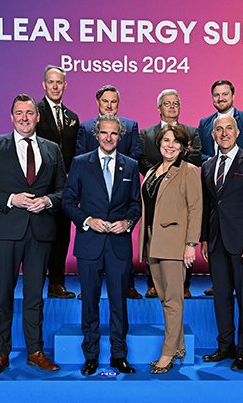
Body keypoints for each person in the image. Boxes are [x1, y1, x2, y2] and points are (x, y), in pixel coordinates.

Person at [0, 94, 66, 375]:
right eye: (19, 113)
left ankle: (34, 351)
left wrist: (47, 201)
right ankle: (1, 353)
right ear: (11, 117)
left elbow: (63, 190)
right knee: (2, 295)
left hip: (40, 232)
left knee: (35, 295)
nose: (25, 118)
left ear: (37, 117)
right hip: (5, 231)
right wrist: (12, 198)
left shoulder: (52, 149)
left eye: (30, 112)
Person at [63, 115, 142, 376]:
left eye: (114, 134)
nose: (109, 138)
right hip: (89, 244)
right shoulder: (80, 163)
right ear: (96, 135)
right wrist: (87, 220)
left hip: (118, 245)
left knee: (119, 303)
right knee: (90, 305)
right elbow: (68, 201)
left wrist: (128, 223)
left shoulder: (130, 165)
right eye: (104, 133)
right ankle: (91, 356)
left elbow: (135, 205)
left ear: (120, 136)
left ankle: (119, 356)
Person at [200, 114, 243, 371]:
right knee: (222, 298)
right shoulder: (207, 166)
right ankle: (225, 345)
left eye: (229, 128)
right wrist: (205, 238)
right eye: (219, 129)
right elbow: (208, 206)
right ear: (213, 135)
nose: (224, 133)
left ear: (237, 132)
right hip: (216, 242)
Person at [139, 123, 202, 374]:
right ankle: (179, 346)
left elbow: (196, 209)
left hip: (175, 244)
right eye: (166, 140)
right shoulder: (153, 170)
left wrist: (190, 245)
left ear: (183, 147)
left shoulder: (188, 171)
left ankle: (167, 353)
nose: (170, 145)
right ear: (159, 143)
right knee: (165, 298)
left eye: (176, 142)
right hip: (154, 242)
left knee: (174, 300)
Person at [198, 80, 243, 296]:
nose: (220, 98)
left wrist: (234, 160)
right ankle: (224, 331)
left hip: (242, 233)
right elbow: (208, 203)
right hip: (218, 235)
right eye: (216, 95)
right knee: (222, 296)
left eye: (224, 94)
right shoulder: (205, 124)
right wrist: (219, 163)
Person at [77, 84, 142, 299]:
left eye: (113, 101)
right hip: (92, 207)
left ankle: (128, 284)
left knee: (119, 291)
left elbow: (136, 156)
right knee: (89, 295)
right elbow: (79, 163)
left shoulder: (130, 126)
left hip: (120, 205)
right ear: (98, 102)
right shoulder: (85, 128)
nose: (109, 105)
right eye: (105, 101)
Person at [139, 89, 202, 299]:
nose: (172, 106)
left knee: (174, 299)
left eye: (176, 103)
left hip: (179, 196)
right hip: (156, 192)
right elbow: (142, 159)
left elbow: (196, 159)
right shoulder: (146, 134)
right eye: (167, 103)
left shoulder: (191, 132)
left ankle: (184, 283)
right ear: (159, 108)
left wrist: (174, 172)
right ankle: (153, 283)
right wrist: (159, 171)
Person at [36, 65, 80, 299]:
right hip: (40, 186)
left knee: (63, 235)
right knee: (40, 236)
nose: (55, 86)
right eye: (51, 82)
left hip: (65, 188)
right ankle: (36, 282)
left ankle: (56, 283)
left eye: (59, 82)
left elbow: (75, 153)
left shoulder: (72, 117)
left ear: (65, 85)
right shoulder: (33, 112)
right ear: (44, 84)